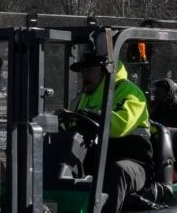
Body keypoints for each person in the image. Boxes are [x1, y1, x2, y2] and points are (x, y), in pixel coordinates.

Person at [62, 56, 152, 213]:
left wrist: (86, 116)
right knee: (63, 165)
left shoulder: (130, 93)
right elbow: (69, 128)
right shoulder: (81, 99)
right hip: (98, 159)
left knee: (119, 171)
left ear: (105, 71)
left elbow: (119, 126)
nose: (85, 76)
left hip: (134, 162)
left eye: (90, 70)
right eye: (83, 71)